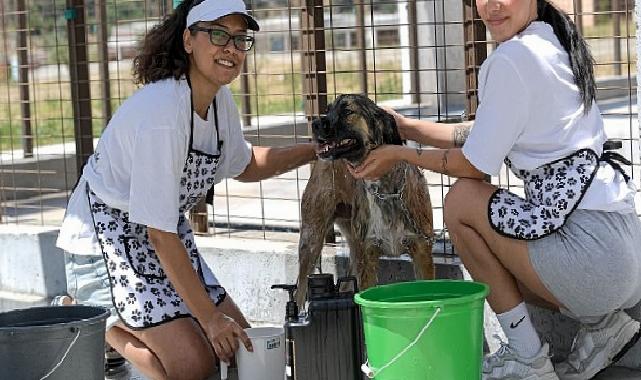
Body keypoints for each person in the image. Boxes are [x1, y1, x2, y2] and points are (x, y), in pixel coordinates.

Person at [348, 0, 641, 379]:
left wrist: (399, 154)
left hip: (589, 258)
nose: (493, 5)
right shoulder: (551, 40)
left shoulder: (512, 59)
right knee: (494, 236)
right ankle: (604, 327)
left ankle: (528, 358)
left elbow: (474, 164)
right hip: (622, 251)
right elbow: (480, 134)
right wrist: (406, 127)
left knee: (462, 203)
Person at [54, 0, 316, 379]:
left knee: (240, 349)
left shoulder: (218, 101)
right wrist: (209, 319)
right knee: (194, 363)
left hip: (162, 237)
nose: (230, 48)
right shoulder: (162, 113)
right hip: (105, 244)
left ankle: (128, 327)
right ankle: (99, 324)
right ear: (189, 41)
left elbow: (244, 164)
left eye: (240, 39)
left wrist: (316, 151)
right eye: (218, 35)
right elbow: (159, 234)